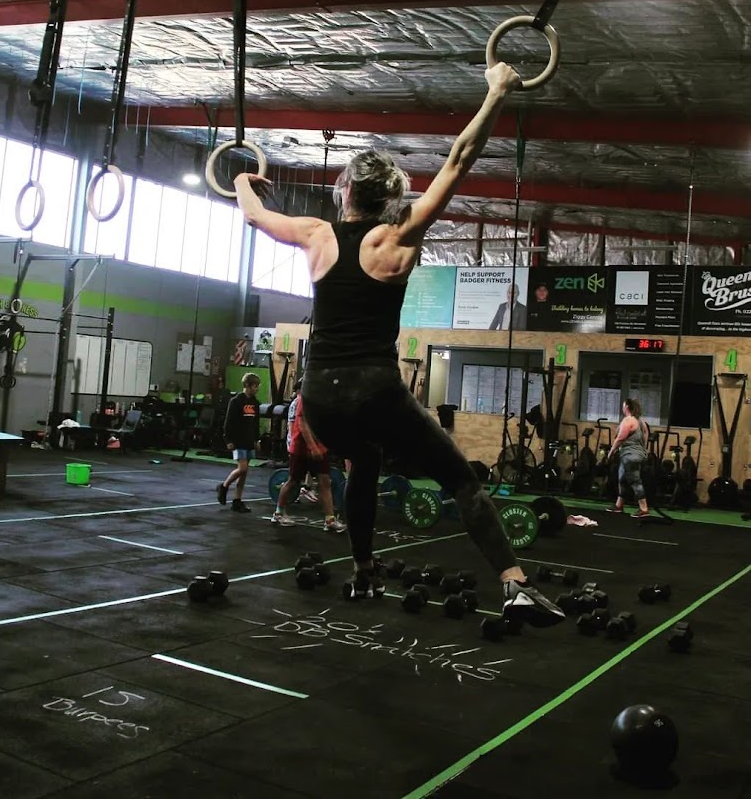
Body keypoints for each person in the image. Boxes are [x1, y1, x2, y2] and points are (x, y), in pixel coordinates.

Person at [234, 61, 564, 627]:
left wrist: (244, 179)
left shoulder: (315, 234)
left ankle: (364, 569)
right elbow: (459, 160)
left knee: (363, 459)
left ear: (345, 193)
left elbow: (253, 213)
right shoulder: (398, 236)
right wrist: (497, 92)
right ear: (389, 197)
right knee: (460, 480)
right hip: (375, 390)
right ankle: (515, 584)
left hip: (318, 397)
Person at [273, 386, 347, 532]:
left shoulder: (326, 400)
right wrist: (313, 447)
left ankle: (330, 520)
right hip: (301, 448)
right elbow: (302, 424)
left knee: (325, 481)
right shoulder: (305, 398)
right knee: (293, 481)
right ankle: (278, 514)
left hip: (320, 447)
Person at [217, 372, 260, 513]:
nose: (257, 389)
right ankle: (224, 486)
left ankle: (237, 500)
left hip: (249, 440)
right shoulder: (236, 401)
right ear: (247, 385)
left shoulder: (255, 403)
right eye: (255, 386)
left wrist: (257, 439)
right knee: (242, 469)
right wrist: (228, 440)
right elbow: (228, 422)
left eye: (257, 386)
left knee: (244, 473)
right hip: (238, 440)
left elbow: (256, 423)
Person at [606, 397, 651, 518]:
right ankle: (619, 505)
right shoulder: (641, 422)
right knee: (622, 479)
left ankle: (644, 508)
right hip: (635, 455)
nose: (622, 408)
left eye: (623, 406)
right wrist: (642, 451)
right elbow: (645, 437)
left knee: (635, 480)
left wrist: (611, 452)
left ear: (626, 407)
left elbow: (620, 438)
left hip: (630, 456)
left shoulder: (628, 420)